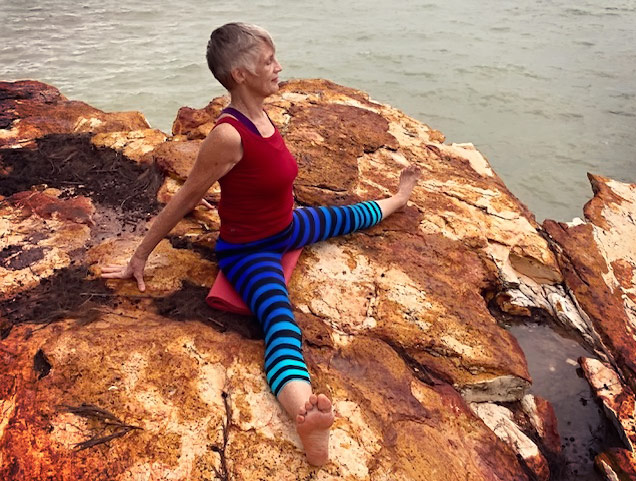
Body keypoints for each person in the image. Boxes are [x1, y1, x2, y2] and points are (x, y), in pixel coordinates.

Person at [101, 22, 420, 466]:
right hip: (250, 251)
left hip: (287, 226)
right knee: (279, 319)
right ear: (240, 74)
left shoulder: (263, 115)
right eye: (268, 61)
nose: (279, 67)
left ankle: (397, 199)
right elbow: (187, 195)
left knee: (347, 214)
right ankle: (305, 415)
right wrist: (140, 255)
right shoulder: (228, 135)